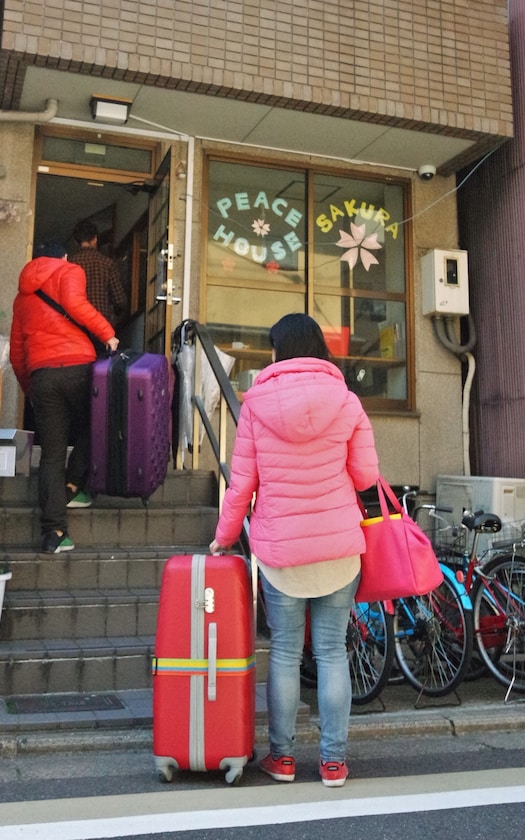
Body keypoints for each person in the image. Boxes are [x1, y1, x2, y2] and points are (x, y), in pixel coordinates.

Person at [209, 313, 379, 787]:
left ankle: (282, 758)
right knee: (331, 652)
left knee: (284, 653)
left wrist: (224, 536)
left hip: (282, 553)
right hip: (340, 548)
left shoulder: (257, 405)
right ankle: (333, 762)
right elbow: (366, 477)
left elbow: (241, 485)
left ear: (278, 351)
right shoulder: (347, 402)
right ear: (320, 349)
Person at [10, 241, 119, 554]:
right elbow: (76, 304)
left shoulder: (22, 297)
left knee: (52, 455)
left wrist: (30, 386)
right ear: (64, 256)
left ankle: (54, 532)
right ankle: (74, 485)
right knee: (97, 425)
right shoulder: (70, 271)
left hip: (42, 375)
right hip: (77, 366)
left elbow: (17, 350)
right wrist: (107, 333)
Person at [69, 219, 127, 328]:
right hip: (102, 323)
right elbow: (120, 300)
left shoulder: (69, 264)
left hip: (76, 324)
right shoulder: (107, 263)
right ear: (95, 239)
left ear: (76, 241)